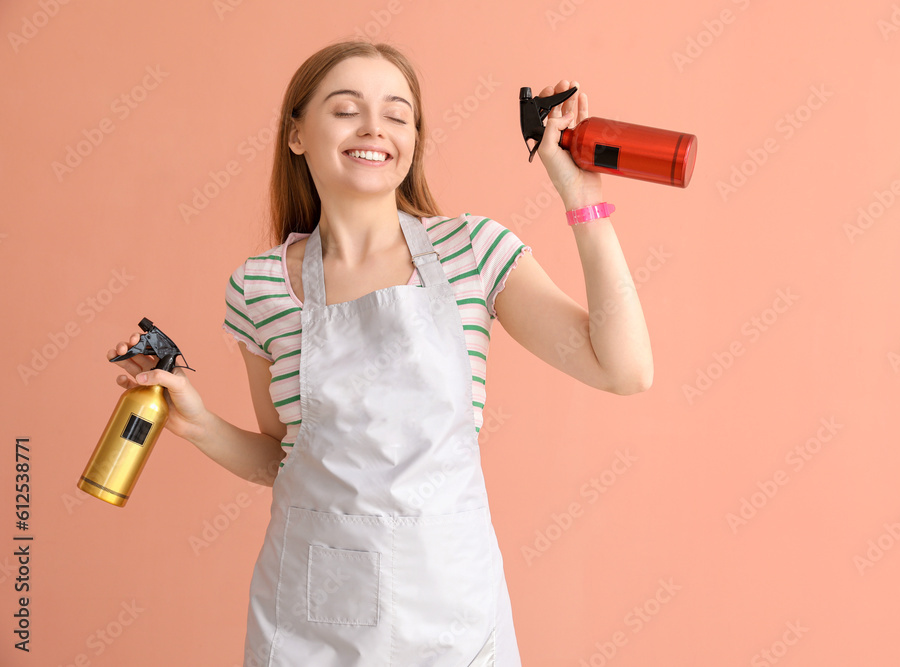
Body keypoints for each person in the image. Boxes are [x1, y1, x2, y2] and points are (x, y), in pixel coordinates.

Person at [109, 39, 653, 666]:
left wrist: (582, 197)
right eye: (346, 109)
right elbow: (284, 460)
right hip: (310, 624)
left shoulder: (472, 253)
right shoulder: (258, 287)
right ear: (296, 134)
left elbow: (625, 368)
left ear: (414, 140)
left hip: (453, 615)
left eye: (397, 114)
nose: (375, 128)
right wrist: (197, 423)